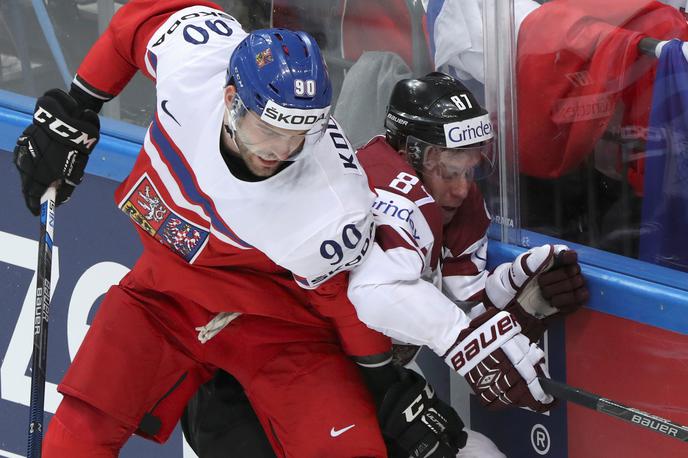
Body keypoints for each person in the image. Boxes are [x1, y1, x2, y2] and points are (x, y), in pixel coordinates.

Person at [12, 1, 408, 456]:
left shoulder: (333, 200)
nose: (277, 152)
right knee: (78, 434)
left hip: (279, 322)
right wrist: (80, 105)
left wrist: (383, 379)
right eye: (267, 130)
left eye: (297, 136)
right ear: (230, 98)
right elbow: (129, 29)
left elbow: (341, 297)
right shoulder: (194, 61)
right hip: (164, 296)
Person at [182, 73, 589, 457]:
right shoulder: (383, 194)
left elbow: (454, 301)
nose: (462, 187)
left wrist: (516, 300)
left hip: (338, 380)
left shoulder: (450, 206)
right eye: (449, 169)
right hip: (245, 393)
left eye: (471, 169)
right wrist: (456, 343)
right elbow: (375, 293)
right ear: (410, 154)